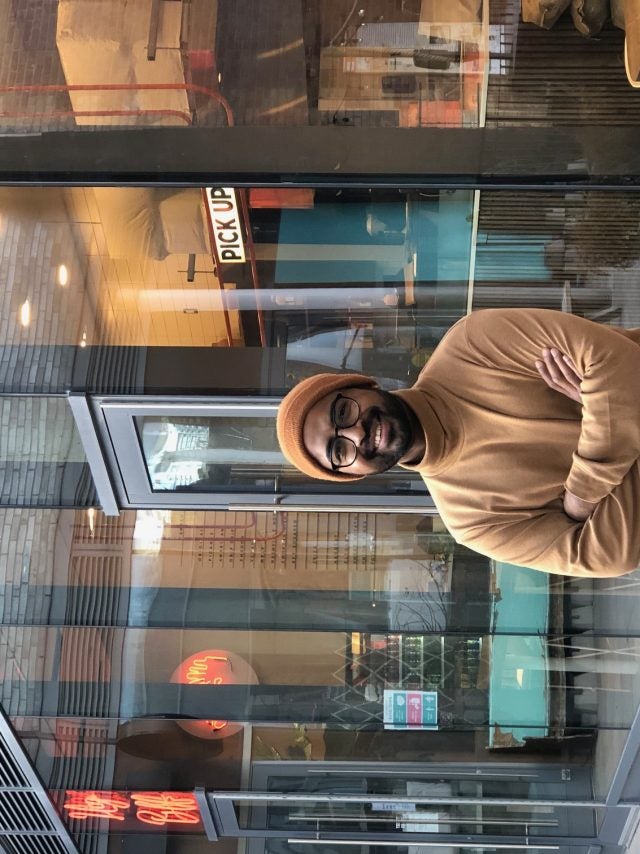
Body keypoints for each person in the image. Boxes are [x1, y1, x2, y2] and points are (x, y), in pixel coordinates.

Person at [276, 308, 640, 578]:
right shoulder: (472, 521)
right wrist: (601, 405)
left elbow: (619, 363)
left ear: (361, 383)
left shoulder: (472, 344)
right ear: (353, 474)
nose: (356, 434)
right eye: (339, 450)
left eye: (342, 412)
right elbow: (613, 554)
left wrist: (581, 497)